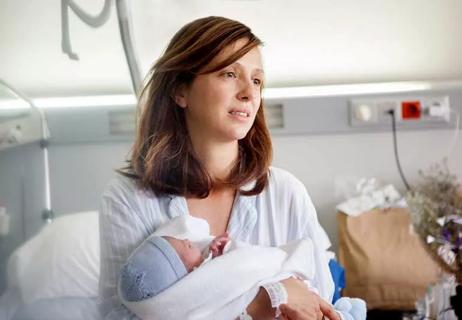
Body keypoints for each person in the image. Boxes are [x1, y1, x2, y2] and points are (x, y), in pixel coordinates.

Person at [99, 15, 341, 320]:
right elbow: (118, 316)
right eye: (229, 73)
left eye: (256, 80)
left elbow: (320, 305)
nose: (249, 93)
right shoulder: (129, 198)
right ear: (180, 90)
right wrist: (260, 303)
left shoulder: (285, 193)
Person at [116, 215, 366, 320]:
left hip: (302, 296)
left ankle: (344, 311)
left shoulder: (287, 189)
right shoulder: (194, 294)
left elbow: (237, 261)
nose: (190, 241)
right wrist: (266, 300)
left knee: (330, 276)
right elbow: (230, 281)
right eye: (185, 247)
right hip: (285, 303)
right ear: (185, 275)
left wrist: (220, 249)